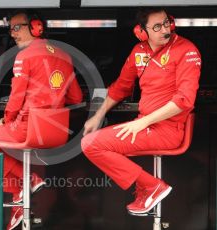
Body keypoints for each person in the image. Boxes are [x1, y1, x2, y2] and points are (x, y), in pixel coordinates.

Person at [81, 7, 201, 215]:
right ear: (142, 32)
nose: (165, 30)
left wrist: (142, 122)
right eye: (156, 27)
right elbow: (121, 87)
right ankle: (148, 186)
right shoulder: (139, 51)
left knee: (91, 144)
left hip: (168, 130)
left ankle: (151, 186)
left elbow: (184, 101)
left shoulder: (187, 50)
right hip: (146, 125)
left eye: (166, 23)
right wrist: (98, 116)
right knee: (91, 141)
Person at [0, 10, 83, 230]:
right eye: (10, 28)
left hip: (27, 127)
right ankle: (19, 203)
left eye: (17, 27)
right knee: (9, 149)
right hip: (55, 132)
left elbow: (16, 97)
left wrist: (5, 120)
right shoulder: (65, 55)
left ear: (36, 27)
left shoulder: (25, 55)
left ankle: (29, 181)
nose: (12, 34)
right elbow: (76, 98)